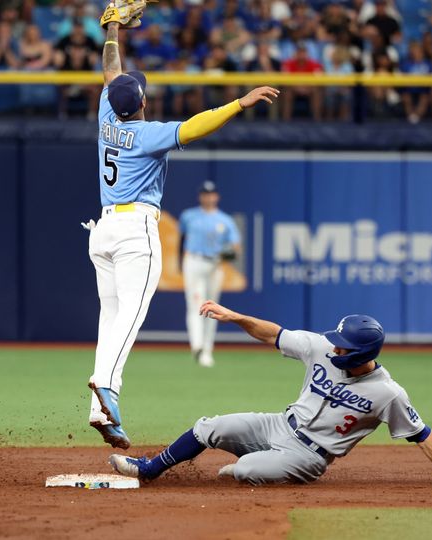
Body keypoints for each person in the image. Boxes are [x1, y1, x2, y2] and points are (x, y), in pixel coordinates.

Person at [85, 3, 279, 450]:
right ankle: (106, 390)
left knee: (111, 318)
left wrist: (112, 28)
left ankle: (101, 410)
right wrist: (239, 102)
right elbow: (195, 126)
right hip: (135, 232)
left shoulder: (106, 116)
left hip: (103, 230)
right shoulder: (147, 133)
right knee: (130, 317)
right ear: (144, 103)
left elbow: (111, 71)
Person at [108, 302, 432, 487]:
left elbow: (420, 432)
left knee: (243, 471)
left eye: (344, 346)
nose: (335, 348)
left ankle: (257, 463)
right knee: (210, 427)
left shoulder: (388, 393)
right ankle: (150, 468)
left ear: (362, 353)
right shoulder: (320, 348)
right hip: (278, 424)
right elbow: (273, 333)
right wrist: (237, 318)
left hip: (309, 455)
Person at [178, 181, 241, 368]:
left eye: (211, 193)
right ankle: (196, 345)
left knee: (212, 307)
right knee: (194, 303)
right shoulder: (189, 216)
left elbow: (236, 246)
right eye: (205, 194)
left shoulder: (224, 220)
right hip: (194, 260)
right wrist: (179, 262)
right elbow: (181, 240)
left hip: (215, 263)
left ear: (217, 196)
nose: (208, 197)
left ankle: (207, 349)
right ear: (201, 196)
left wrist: (229, 253)